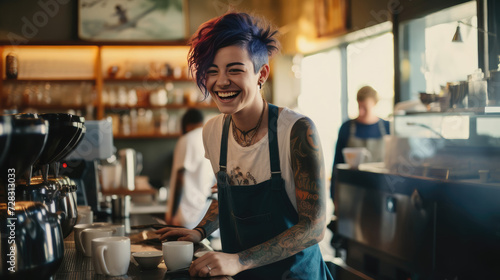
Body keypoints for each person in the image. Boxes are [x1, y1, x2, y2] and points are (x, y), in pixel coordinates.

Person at [156, 12, 333, 280]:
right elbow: (228, 194)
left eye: (235, 69)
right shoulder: (213, 132)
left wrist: (239, 260)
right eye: (212, 71)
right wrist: (200, 230)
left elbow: (314, 227)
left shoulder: (296, 130)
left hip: (295, 275)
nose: (221, 81)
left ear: (261, 73)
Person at [330, 85, 390, 200]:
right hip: (351, 194)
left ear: (374, 104)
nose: (361, 112)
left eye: (365, 108)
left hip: (380, 192)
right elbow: (337, 164)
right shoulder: (346, 128)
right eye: (359, 107)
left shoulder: (387, 128)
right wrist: (334, 196)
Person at [165, 108, 216, 229]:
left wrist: (172, 214)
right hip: (204, 212)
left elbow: (180, 178)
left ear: (186, 125)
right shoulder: (209, 139)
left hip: (185, 214)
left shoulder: (186, 140)